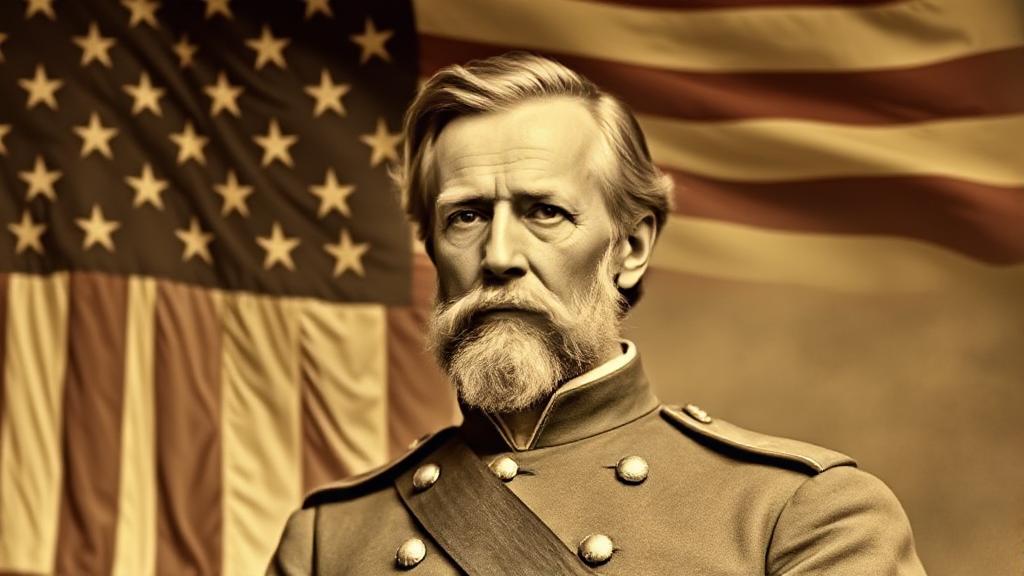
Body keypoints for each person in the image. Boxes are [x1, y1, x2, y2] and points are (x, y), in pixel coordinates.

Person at [267, 53, 927, 575]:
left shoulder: (801, 512)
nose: (498, 255)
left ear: (630, 247)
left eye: (544, 213)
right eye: (465, 217)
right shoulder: (331, 540)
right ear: (433, 249)